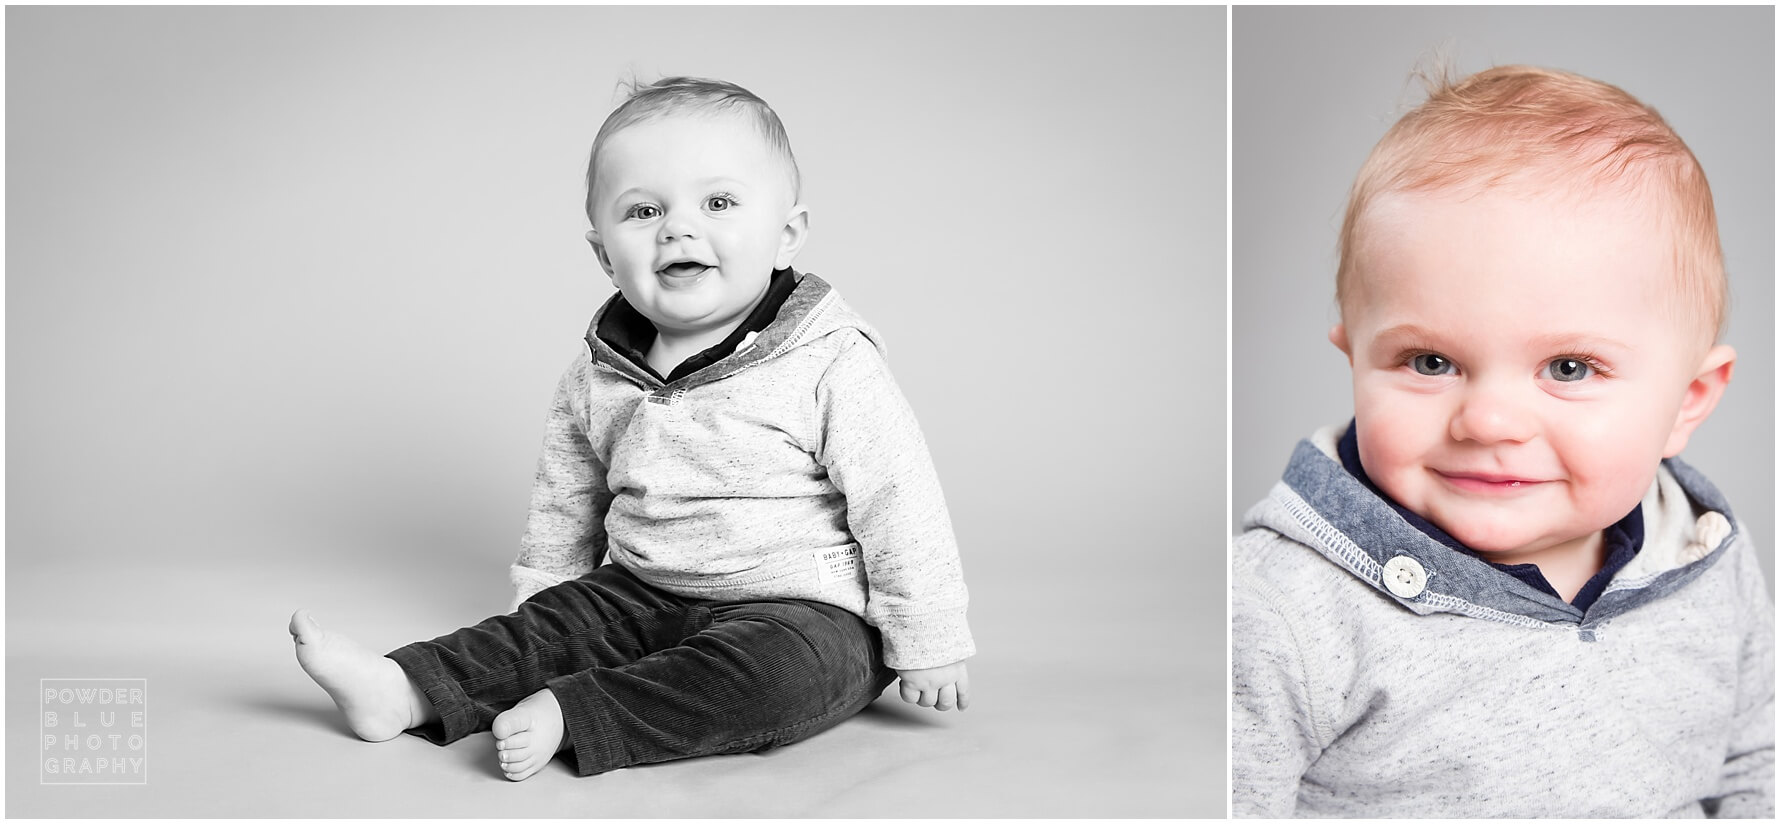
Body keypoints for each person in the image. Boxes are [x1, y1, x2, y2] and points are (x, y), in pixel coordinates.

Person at [290, 76, 974, 781]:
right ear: (603, 254)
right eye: (645, 210)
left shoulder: (830, 360)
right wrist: (548, 603)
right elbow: (567, 497)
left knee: (781, 678)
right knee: (546, 631)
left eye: (719, 202)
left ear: (786, 234)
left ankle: (579, 711)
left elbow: (900, 500)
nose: (679, 227)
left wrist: (929, 636)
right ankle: (402, 691)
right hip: (642, 587)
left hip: (804, 610)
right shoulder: (598, 374)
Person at [1231, 65, 1773, 817]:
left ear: (1689, 400)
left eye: (1569, 367)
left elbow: (1756, 766)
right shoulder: (1282, 607)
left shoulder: (1705, 554)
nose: (1487, 422)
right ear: (1355, 360)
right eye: (1430, 362)